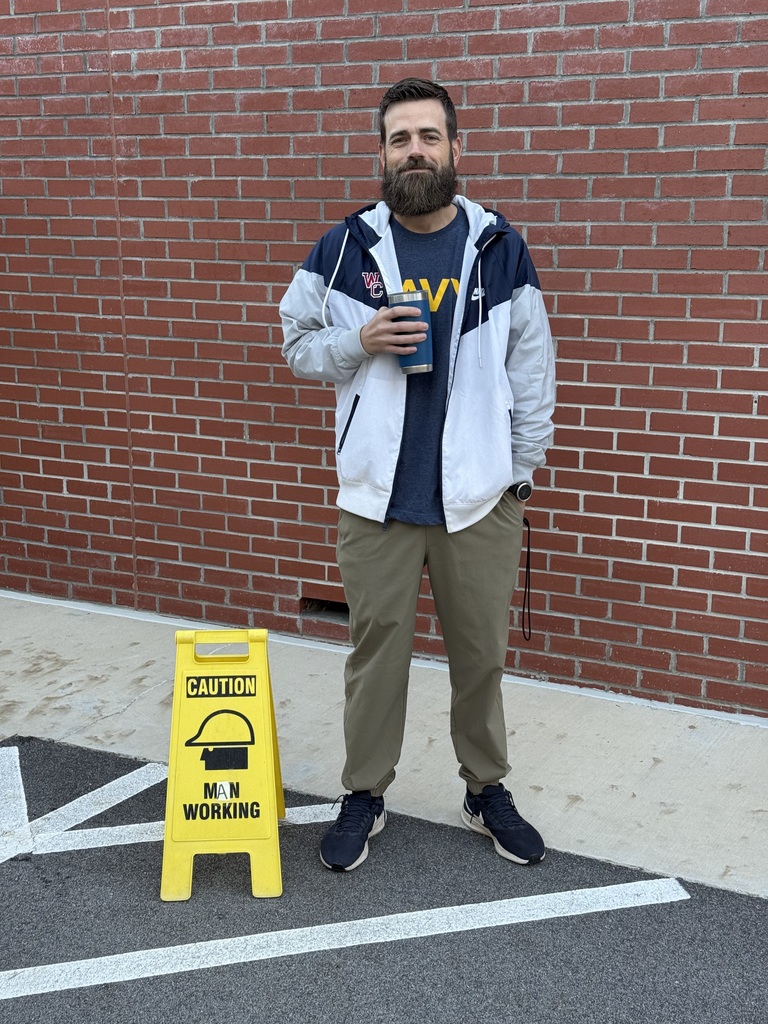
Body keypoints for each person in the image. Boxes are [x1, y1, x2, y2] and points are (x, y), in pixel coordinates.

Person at [280, 78, 556, 873]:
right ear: (382, 154)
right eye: (400, 139)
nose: (415, 152)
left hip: (478, 502)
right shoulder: (343, 249)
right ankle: (365, 792)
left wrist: (520, 475)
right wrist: (358, 339)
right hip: (379, 504)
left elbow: (532, 370)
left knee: (480, 657)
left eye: (428, 137)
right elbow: (296, 343)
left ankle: (485, 787)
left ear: (455, 150)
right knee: (377, 658)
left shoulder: (501, 248)